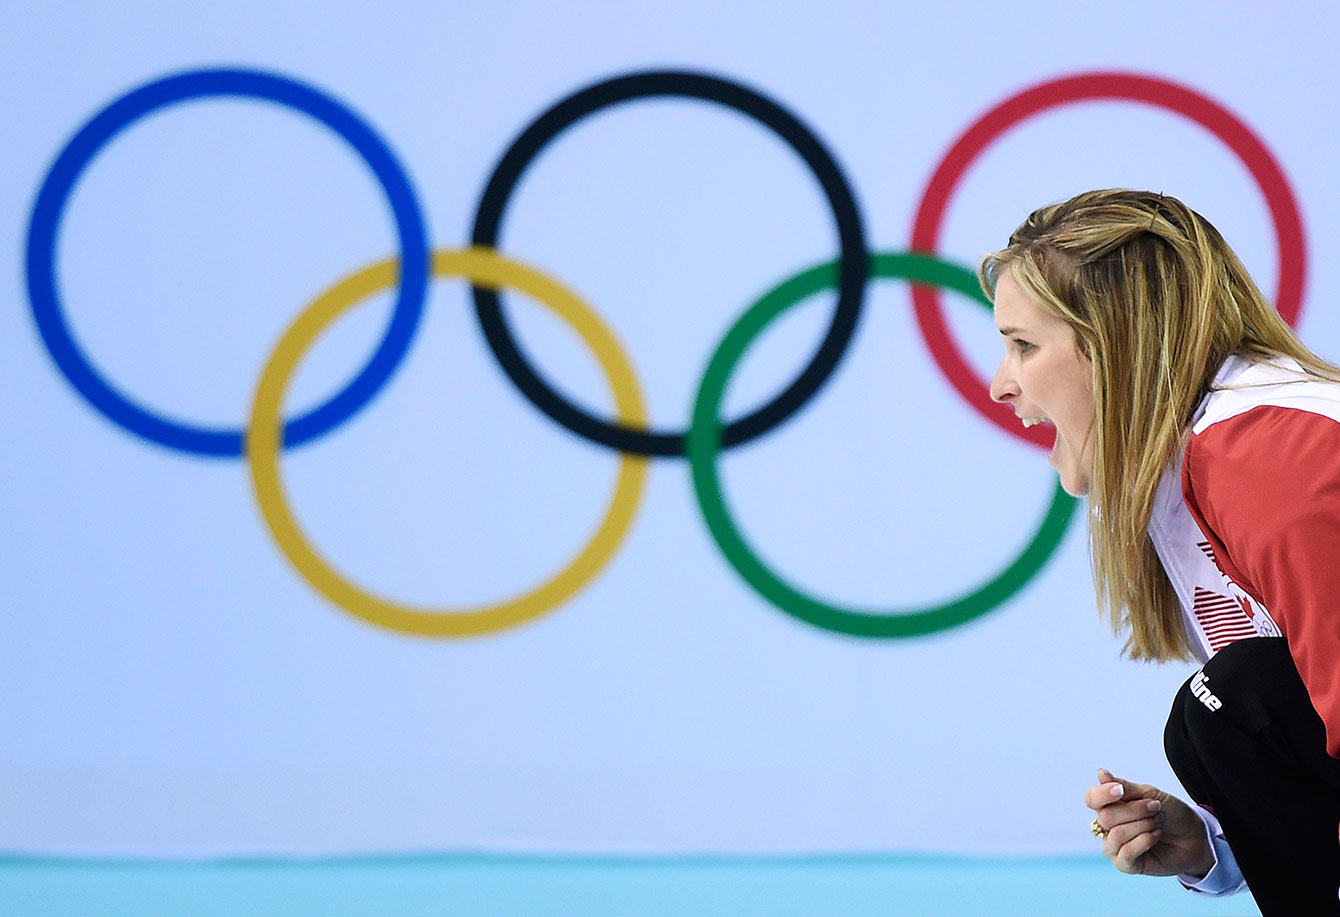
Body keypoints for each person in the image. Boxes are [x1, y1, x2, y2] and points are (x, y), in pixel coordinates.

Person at [980, 189, 1340, 915]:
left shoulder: (1268, 460)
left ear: (1111, 344)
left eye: (1023, 344)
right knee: (1215, 717)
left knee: (1229, 704)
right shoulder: (1203, 454)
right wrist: (1222, 844)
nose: (1000, 384)